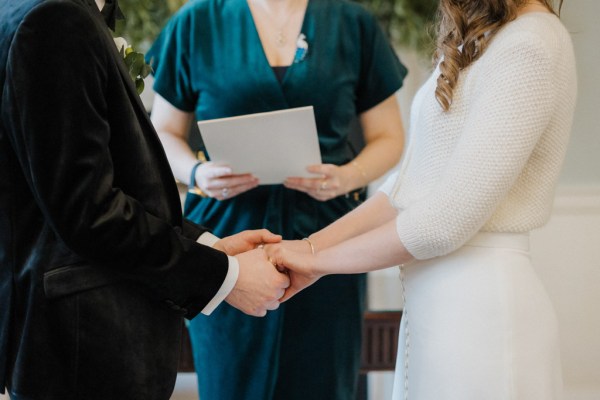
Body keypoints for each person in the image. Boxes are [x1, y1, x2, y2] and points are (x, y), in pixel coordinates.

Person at [267, 0, 577, 398]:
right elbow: (407, 186)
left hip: (482, 311)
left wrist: (317, 264)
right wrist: (310, 246)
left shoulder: (531, 43)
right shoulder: (488, 39)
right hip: (437, 308)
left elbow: (444, 222)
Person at [0, 0, 291, 399]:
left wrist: (208, 246)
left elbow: (107, 185)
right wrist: (226, 277)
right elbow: (89, 213)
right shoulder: (55, 17)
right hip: (84, 347)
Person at [147, 0, 407, 398]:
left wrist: (347, 177)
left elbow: (390, 137)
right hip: (227, 240)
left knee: (323, 380)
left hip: (329, 238)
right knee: (231, 382)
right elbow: (162, 132)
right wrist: (196, 172)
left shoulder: (352, 24)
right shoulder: (197, 21)